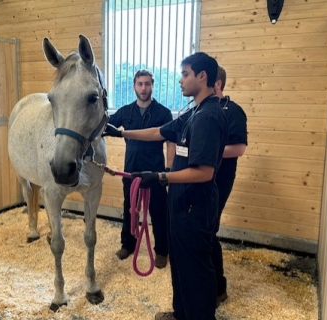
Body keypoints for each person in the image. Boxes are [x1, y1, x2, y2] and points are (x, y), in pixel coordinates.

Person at [104, 52, 228, 320]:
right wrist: (122, 132)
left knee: (195, 268)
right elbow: (160, 132)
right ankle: (181, 314)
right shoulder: (193, 112)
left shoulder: (208, 117)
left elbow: (205, 172)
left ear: (202, 76)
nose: (180, 80)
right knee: (182, 265)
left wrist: (161, 177)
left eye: (185, 74)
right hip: (183, 203)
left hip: (196, 206)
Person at [107, 69, 175, 269]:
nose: (144, 88)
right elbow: (105, 126)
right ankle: (128, 244)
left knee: (159, 212)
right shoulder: (125, 112)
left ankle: (162, 251)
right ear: (134, 86)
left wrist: (169, 171)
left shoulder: (163, 113)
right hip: (131, 171)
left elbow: (171, 141)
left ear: (152, 85)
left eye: (147, 84)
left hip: (155, 172)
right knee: (130, 209)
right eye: (140, 84)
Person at [212, 66, 248, 307]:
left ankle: (218, 287)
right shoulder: (198, 110)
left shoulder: (233, 111)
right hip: (197, 177)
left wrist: (207, 152)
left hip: (220, 178)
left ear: (217, 83)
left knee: (208, 230)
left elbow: (239, 148)